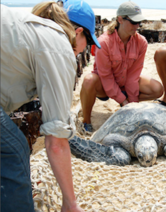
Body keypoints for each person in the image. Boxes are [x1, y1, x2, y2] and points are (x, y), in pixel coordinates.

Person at [1, 1, 100, 211]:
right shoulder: (58, 44)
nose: (87, 49)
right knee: (13, 151)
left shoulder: (27, 27)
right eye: (89, 42)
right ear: (78, 32)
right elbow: (56, 142)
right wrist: (71, 203)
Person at [80, 1, 163, 132]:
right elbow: (106, 76)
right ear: (120, 19)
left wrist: (132, 105)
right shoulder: (104, 42)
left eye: (139, 22)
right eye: (133, 22)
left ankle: (128, 101)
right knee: (88, 80)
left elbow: (133, 75)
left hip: (126, 82)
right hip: (104, 85)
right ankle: (86, 121)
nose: (137, 26)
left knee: (158, 89)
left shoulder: (141, 42)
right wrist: (123, 101)